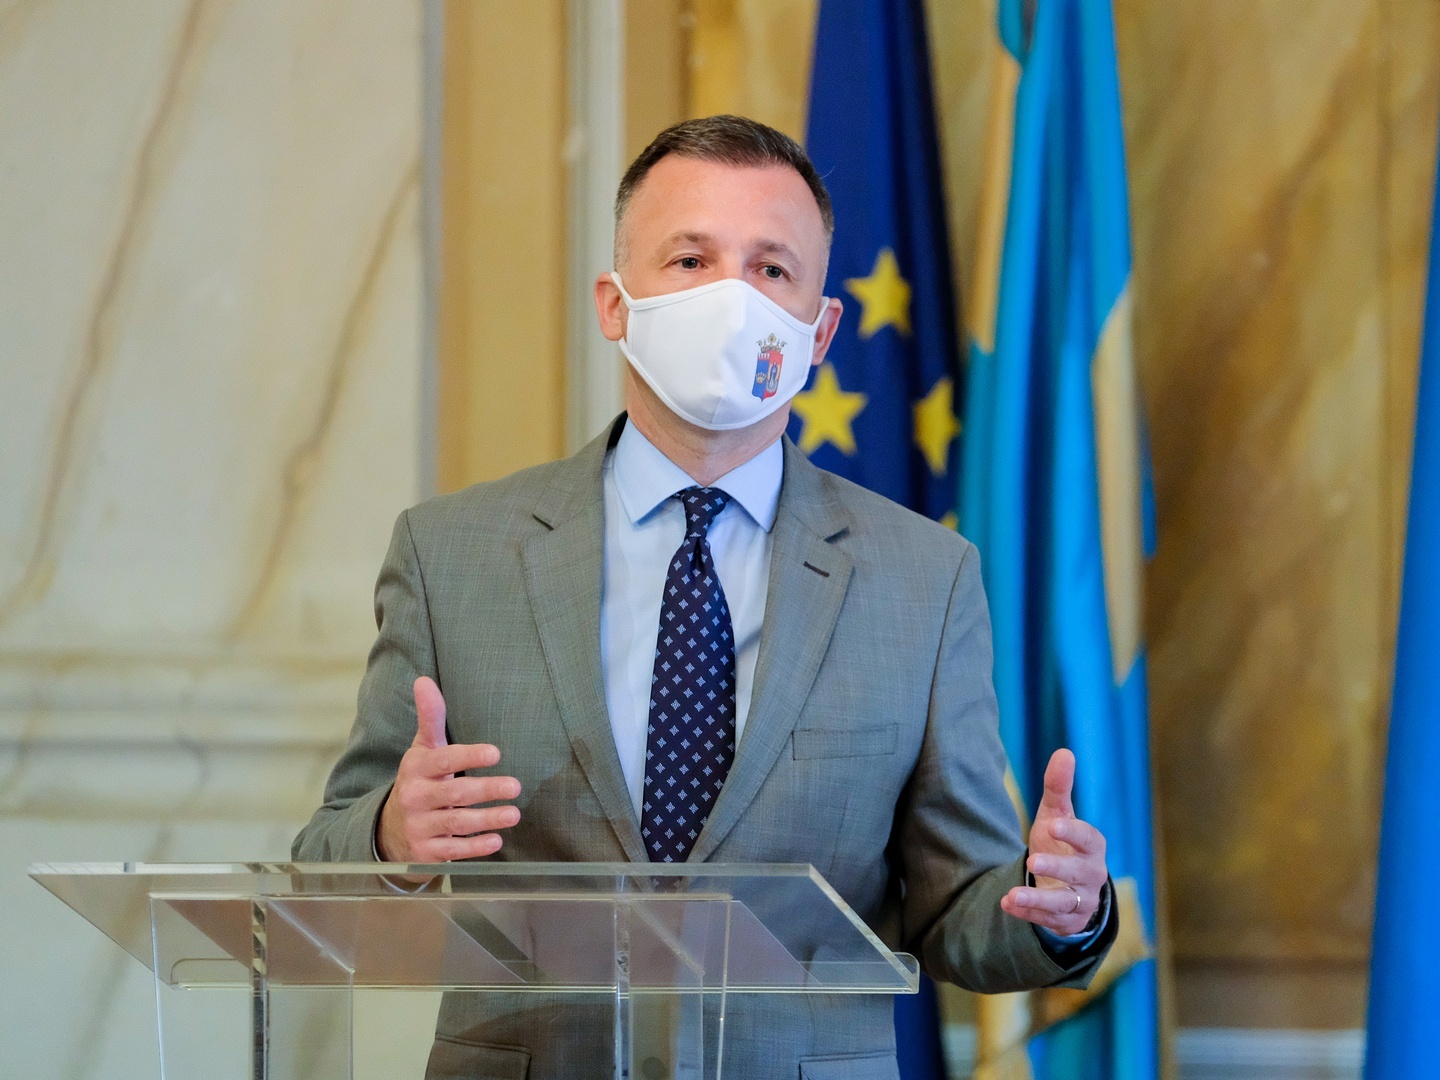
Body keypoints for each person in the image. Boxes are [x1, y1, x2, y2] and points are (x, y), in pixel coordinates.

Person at [294, 115, 1118, 1079]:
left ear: (821, 330)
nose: (734, 298)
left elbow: (957, 910)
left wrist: (1059, 908)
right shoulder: (449, 555)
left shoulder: (924, 581)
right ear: (615, 304)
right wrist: (391, 833)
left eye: (772, 269)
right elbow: (319, 874)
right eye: (690, 260)